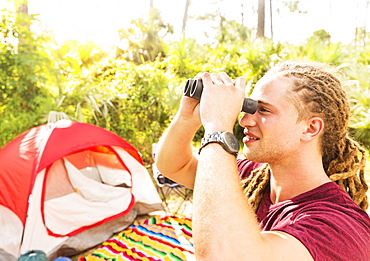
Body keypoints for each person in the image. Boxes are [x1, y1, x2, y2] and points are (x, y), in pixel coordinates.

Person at [155, 61, 370, 261]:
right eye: (249, 108)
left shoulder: (337, 227)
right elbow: (175, 165)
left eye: (264, 110)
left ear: (310, 128)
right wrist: (188, 117)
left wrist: (217, 129)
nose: (244, 120)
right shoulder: (253, 177)